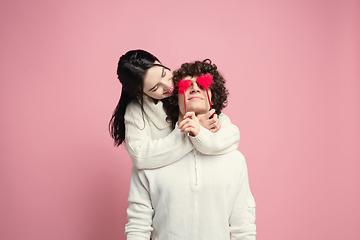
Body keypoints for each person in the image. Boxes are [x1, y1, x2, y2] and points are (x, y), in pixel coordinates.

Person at [125, 60, 256, 240]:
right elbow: (138, 227)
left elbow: (244, 227)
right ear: (174, 98)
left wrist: (200, 131)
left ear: (213, 95)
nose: (194, 88)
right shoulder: (151, 159)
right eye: (186, 85)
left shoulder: (234, 159)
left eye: (202, 84)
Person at [109, 50, 240, 169]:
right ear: (142, 94)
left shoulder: (188, 88)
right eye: (155, 88)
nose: (168, 85)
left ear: (159, 62)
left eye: (164, 73)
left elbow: (229, 134)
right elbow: (139, 155)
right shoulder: (137, 110)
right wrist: (194, 130)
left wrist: (199, 132)